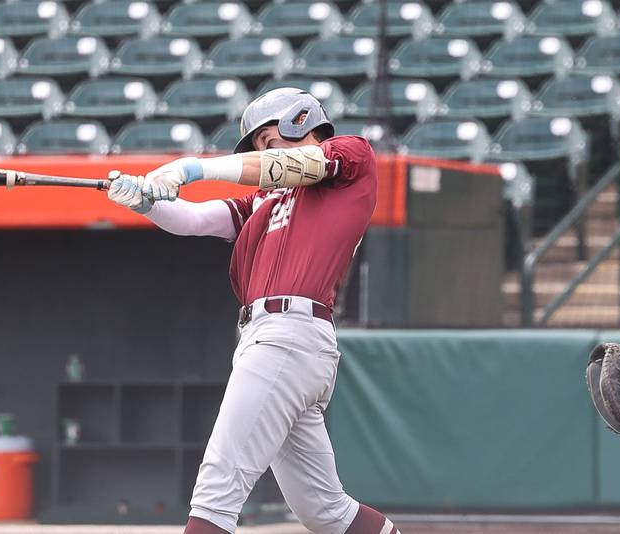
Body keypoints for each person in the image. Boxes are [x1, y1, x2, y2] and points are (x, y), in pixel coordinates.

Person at [106, 88, 400, 534]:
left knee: (217, 489)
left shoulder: (350, 156)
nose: (262, 155)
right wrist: (146, 201)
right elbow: (195, 220)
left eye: (266, 140)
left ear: (299, 123)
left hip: (289, 335)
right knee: (325, 510)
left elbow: (287, 165)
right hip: (272, 340)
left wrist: (193, 167)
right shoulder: (266, 200)